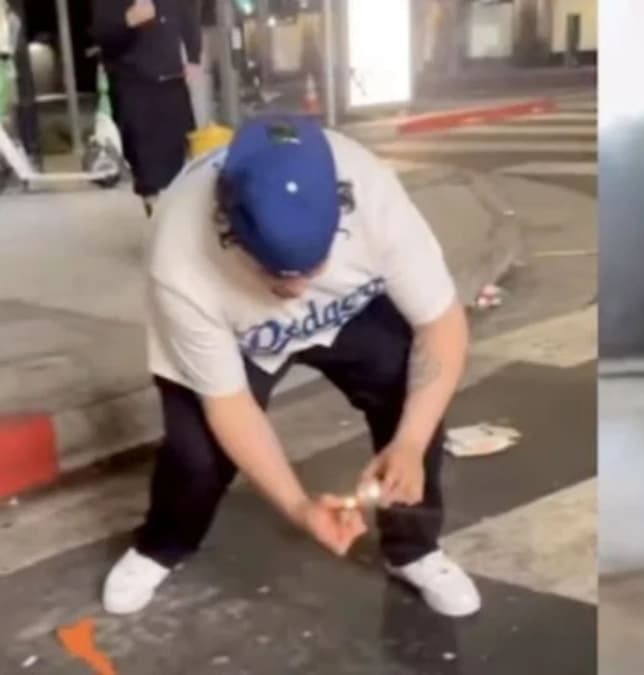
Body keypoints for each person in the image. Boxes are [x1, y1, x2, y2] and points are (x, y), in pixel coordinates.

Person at [101, 115, 481, 620]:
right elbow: (229, 405)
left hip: (349, 310)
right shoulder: (179, 256)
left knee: (415, 395)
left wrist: (409, 442)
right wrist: (299, 508)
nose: (298, 292)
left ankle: (413, 549)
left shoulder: (373, 194)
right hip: (238, 332)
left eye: (312, 268)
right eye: (278, 276)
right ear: (228, 225)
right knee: (197, 454)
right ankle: (163, 545)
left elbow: (442, 326)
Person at [92, 0, 201, 216]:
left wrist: (194, 57)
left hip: (172, 80)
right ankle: (156, 212)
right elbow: (101, 34)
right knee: (147, 166)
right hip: (134, 83)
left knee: (181, 157)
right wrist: (129, 20)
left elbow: (187, 14)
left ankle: (174, 219)